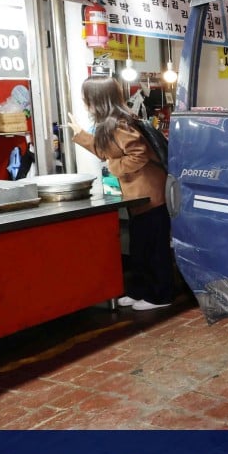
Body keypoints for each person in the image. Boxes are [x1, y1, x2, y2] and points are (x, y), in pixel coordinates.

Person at [71, 76, 174, 311]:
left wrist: (114, 167)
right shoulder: (111, 123)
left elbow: (138, 154)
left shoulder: (121, 124)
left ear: (97, 99)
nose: (84, 103)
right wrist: (81, 135)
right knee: (140, 248)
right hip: (138, 195)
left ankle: (161, 296)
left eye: (86, 98)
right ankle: (140, 291)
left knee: (153, 248)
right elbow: (107, 152)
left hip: (150, 194)